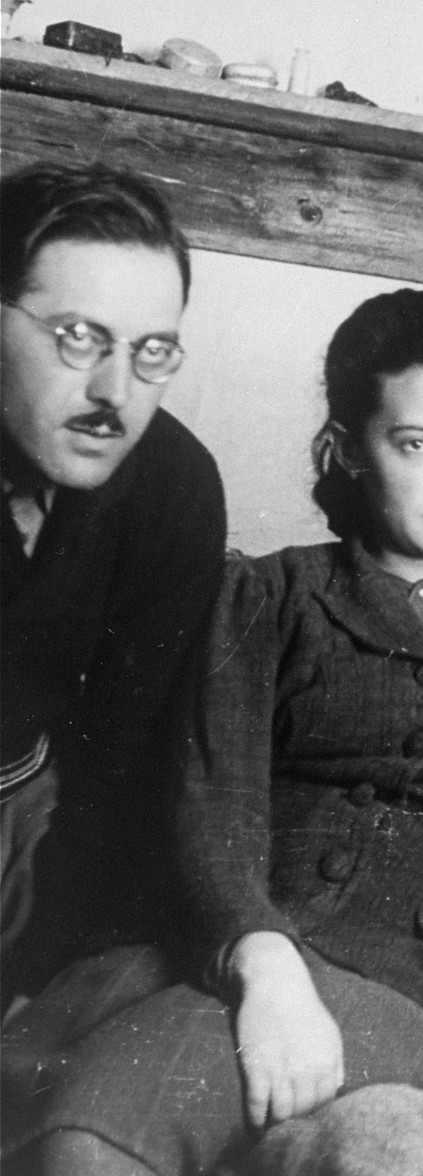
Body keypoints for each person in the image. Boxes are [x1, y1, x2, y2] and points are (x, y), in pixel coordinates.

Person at [6, 288, 423, 1176]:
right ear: (349, 450)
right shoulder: (269, 595)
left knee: (101, 1126)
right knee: (37, 1100)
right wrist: (263, 964)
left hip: (402, 977)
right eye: (416, 443)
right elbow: (211, 792)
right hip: (207, 938)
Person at [0, 161, 227, 1012]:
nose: (114, 393)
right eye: (78, 338)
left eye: (151, 351)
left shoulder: (174, 487)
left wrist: (32, 972)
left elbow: (119, 770)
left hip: (39, 815)